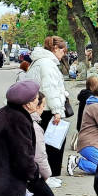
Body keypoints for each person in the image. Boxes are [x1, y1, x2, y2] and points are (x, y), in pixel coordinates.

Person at [28, 36, 69, 184]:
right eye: (63, 51)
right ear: (55, 49)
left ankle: (47, 175)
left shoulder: (39, 62)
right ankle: (49, 175)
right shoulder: (47, 64)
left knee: (44, 143)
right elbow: (50, 89)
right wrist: (57, 110)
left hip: (40, 107)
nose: (63, 54)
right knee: (52, 143)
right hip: (46, 109)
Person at [67, 82, 98, 176]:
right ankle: (77, 161)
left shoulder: (91, 103)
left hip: (88, 143)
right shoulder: (97, 107)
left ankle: (79, 161)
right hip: (91, 144)